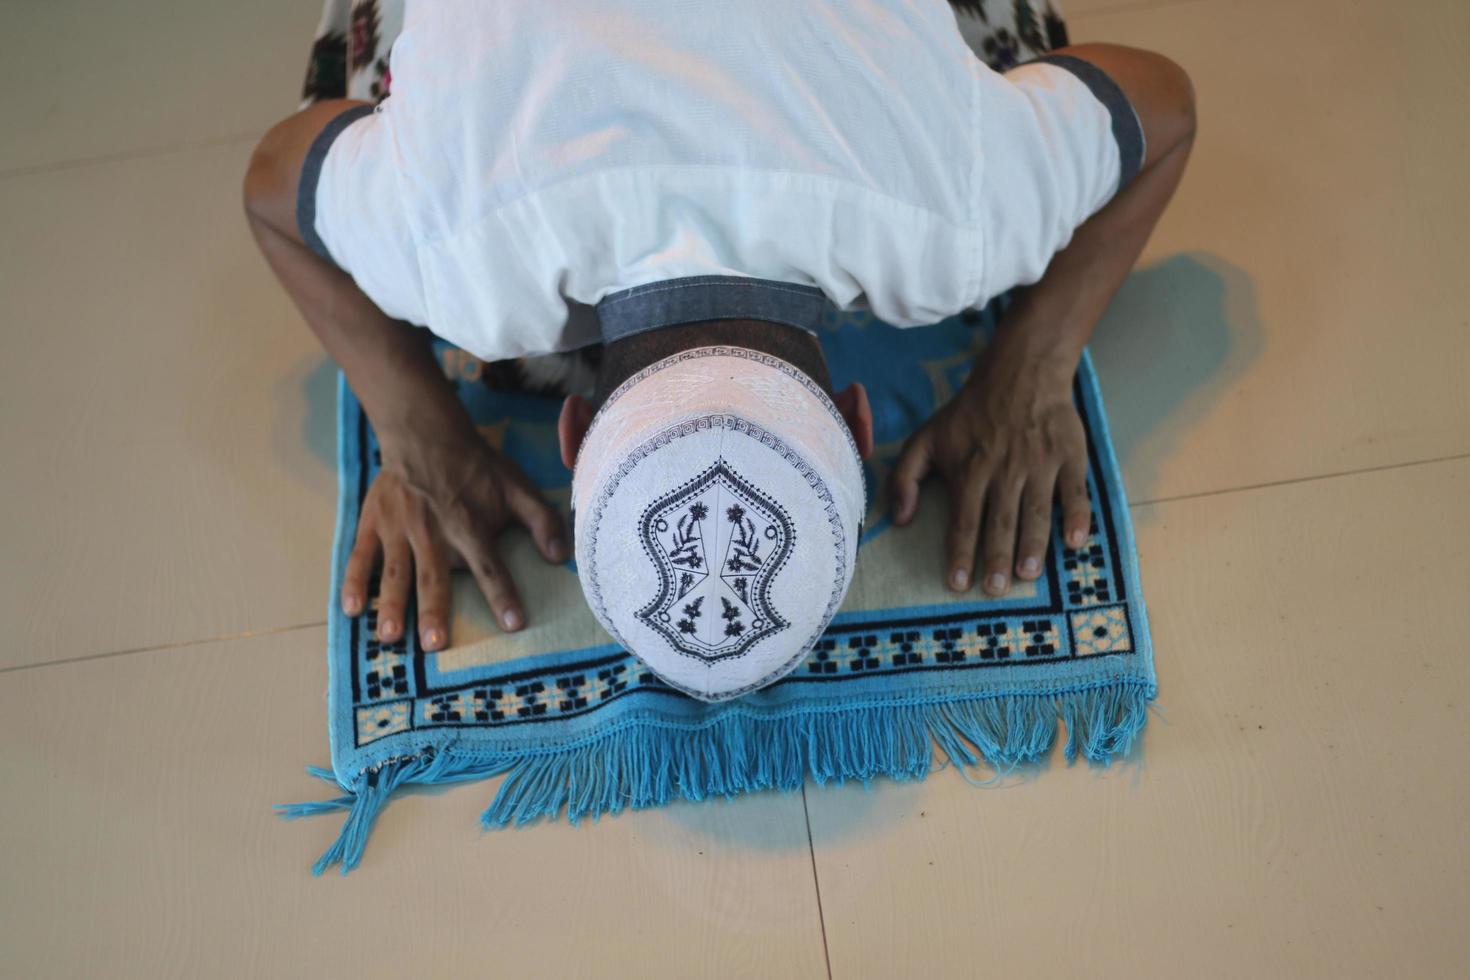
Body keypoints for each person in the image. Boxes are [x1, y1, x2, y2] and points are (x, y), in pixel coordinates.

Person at [243, 0, 1194, 699]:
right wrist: (417, 434)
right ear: (573, 436)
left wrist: (1032, 371)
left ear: (860, 424)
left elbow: (1161, 108)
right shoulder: (452, 265)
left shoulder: (964, 222)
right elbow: (278, 185)